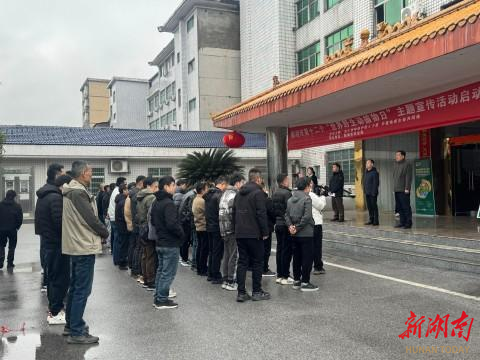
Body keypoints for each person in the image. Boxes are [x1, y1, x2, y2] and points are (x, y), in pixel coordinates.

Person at [62, 161, 109, 344]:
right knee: (82, 289)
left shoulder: (71, 190)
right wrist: (104, 232)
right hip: (82, 245)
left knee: (75, 287)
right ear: (82, 173)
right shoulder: (78, 193)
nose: (91, 175)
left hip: (76, 244)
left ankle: (72, 324)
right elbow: (91, 219)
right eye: (90, 172)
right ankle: (76, 332)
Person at [35, 174, 71, 325]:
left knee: (53, 278)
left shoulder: (44, 196)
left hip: (49, 243)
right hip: (57, 244)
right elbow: (59, 222)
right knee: (59, 278)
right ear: (63, 185)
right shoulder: (55, 198)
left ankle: (54, 309)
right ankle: (55, 312)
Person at [233, 168, 270, 302]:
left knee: (242, 262)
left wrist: (235, 229)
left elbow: (234, 213)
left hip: (240, 233)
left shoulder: (239, 194)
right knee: (257, 262)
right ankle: (256, 291)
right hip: (254, 234)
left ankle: (241, 293)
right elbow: (261, 214)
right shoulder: (258, 193)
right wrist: (265, 232)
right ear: (258, 179)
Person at [151, 176, 184, 309]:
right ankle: (162, 299)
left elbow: (153, 221)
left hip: (160, 241)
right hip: (170, 243)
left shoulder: (156, 201)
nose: (174, 187)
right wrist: (181, 234)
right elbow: (172, 224)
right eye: (173, 185)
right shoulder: (168, 203)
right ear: (166, 186)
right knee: (168, 272)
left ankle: (158, 296)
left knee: (161, 271)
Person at [285, 178, 318, 292]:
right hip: (306, 233)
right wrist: (298, 227)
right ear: (306, 187)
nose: (310, 188)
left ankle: (297, 281)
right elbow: (307, 217)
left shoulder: (290, 199)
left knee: (297, 257)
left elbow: (286, 215)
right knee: (307, 257)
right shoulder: (306, 198)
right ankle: (305, 282)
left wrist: (291, 226)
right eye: (310, 186)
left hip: (294, 233)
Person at [35, 163, 64, 290]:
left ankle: (48, 287)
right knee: (55, 273)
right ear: (57, 175)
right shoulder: (54, 196)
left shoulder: (45, 192)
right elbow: (59, 222)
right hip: (54, 239)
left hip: (46, 236)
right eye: (63, 175)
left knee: (49, 266)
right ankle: (55, 306)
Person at [219, 173, 245, 290]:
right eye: (242, 183)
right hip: (232, 229)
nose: (243, 185)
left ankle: (225, 279)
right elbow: (235, 214)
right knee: (233, 256)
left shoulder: (224, 194)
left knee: (226, 254)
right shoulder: (235, 195)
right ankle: (231, 281)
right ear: (237, 183)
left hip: (223, 228)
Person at [204, 177, 228, 284]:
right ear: (222, 184)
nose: (226, 188)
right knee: (217, 252)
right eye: (225, 186)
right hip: (217, 227)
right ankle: (216, 275)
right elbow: (222, 212)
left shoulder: (208, 194)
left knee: (212, 251)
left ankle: (210, 274)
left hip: (209, 226)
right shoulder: (219, 195)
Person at [136, 177, 159, 290]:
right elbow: (152, 215)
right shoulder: (151, 197)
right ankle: (150, 281)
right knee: (151, 256)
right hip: (148, 228)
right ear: (149, 186)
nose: (157, 189)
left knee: (145, 255)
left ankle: (145, 279)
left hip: (142, 227)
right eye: (156, 186)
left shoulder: (141, 196)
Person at [272, 174, 293, 285]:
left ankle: (279, 275)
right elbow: (289, 210)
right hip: (285, 224)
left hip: (278, 224)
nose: (288, 181)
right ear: (283, 182)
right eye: (287, 180)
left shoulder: (274, 193)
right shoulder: (287, 193)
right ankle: (285, 275)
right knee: (286, 250)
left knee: (279, 250)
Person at [125, 176, 145, 278]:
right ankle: (136, 268)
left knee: (133, 246)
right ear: (141, 183)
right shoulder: (137, 194)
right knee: (138, 247)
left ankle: (132, 265)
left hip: (133, 223)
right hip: (137, 224)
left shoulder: (131, 193)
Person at [0, 190, 23, 269]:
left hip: (1, 229)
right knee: (12, 246)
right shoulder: (17, 206)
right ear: (14, 197)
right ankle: (10, 263)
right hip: (12, 230)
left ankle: (0, 261)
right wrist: (17, 227)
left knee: (1, 245)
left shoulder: (0, 205)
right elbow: (20, 219)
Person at [108, 177, 127, 265]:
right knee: (118, 240)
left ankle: (116, 259)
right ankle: (118, 260)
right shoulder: (117, 192)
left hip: (113, 217)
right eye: (125, 184)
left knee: (116, 239)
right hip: (116, 218)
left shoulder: (115, 191)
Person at [178, 185, 198, 271]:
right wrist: (188, 219)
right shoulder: (192, 195)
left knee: (184, 240)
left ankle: (184, 258)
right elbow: (190, 210)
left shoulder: (188, 194)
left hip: (183, 220)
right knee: (186, 241)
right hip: (186, 220)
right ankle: (184, 259)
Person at [310, 183, 327, 275]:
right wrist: (323, 195)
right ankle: (318, 266)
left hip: (307, 224)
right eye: (311, 183)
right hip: (316, 223)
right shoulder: (311, 194)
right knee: (317, 246)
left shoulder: (298, 194)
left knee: (309, 246)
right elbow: (321, 206)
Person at [393, 150, 413, 229]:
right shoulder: (395, 164)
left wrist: (407, 188)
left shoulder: (407, 164)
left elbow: (408, 177)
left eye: (398, 155)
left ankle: (408, 222)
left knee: (406, 207)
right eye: (396, 155)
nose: (396, 156)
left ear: (403, 156)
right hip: (397, 189)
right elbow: (394, 177)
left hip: (404, 190)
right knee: (399, 207)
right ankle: (402, 222)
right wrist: (394, 188)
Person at [192, 182, 208, 276]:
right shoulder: (202, 201)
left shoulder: (195, 199)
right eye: (206, 189)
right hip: (203, 226)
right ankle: (202, 269)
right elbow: (207, 212)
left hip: (198, 226)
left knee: (200, 247)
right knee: (203, 249)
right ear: (202, 190)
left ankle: (199, 267)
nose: (208, 190)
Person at [173, 179, 190, 266]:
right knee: (183, 240)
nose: (186, 187)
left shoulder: (176, 194)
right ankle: (183, 258)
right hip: (181, 221)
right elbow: (178, 210)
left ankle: (181, 257)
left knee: (181, 240)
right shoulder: (180, 195)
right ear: (182, 185)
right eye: (185, 185)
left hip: (178, 220)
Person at [261, 183, 276, 277]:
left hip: (256, 228)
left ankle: (258, 267)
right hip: (267, 227)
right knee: (266, 249)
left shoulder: (253, 198)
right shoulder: (267, 200)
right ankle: (264, 268)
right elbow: (272, 213)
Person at [114, 184, 130, 270]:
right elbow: (124, 215)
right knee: (124, 244)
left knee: (121, 243)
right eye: (127, 190)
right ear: (123, 191)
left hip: (119, 225)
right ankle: (122, 262)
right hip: (123, 226)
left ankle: (120, 260)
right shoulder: (123, 201)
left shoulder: (119, 199)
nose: (128, 191)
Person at [364, 159, 380, 226]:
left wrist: (373, 193)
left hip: (373, 193)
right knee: (369, 207)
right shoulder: (366, 173)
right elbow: (364, 182)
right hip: (367, 193)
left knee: (374, 207)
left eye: (368, 163)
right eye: (366, 163)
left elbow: (376, 183)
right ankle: (371, 219)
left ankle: (376, 221)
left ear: (372, 164)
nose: (366, 164)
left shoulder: (375, 173)